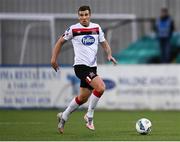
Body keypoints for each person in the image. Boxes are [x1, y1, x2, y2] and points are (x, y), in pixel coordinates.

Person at [51, 5, 117, 134]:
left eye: (86, 15)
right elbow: (60, 42)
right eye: (81, 15)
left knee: (83, 98)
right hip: (80, 67)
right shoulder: (73, 29)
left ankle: (63, 116)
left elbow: (104, 43)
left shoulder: (96, 28)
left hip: (92, 67)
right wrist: (53, 59)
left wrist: (109, 54)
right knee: (101, 87)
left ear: (90, 15)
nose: (84, 18)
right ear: (78, 16)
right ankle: (89, 116)